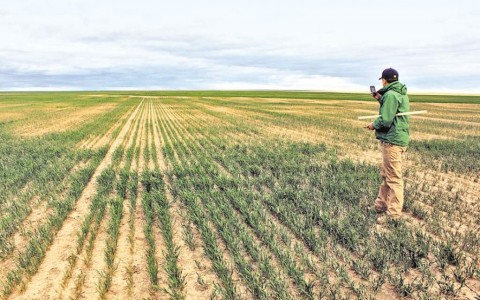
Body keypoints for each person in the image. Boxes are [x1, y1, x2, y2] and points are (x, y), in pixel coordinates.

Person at [366, 68, 410, 224]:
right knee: (386, 174)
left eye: (382, 80)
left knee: (393, 178)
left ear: (384, 80)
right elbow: (391, 108)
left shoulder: (391, 95)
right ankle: (381, 205)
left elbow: (385, 120)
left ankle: (393, 215)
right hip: (396, 139)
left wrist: (373, 125)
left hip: (392, 140)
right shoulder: (398, 93)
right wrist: (379, 98)